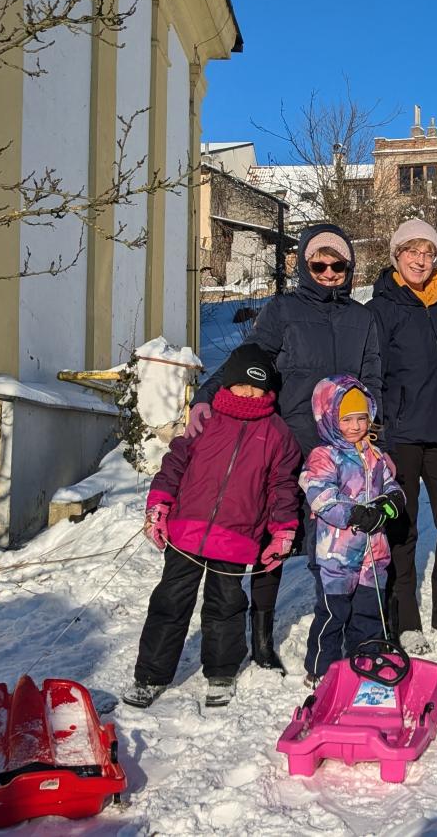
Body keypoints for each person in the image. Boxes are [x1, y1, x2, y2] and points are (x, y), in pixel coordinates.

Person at [188, 224, 381, 676]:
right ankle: (260, 638)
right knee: (270, 538)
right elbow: (250, 358)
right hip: (289, 442)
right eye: (320, 264)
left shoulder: (362, 319)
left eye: (338, 265)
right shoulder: (284, 310)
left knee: (332, 546)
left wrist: (374, 431)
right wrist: (206, 396)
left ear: (349, 267)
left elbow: (373, 377)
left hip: (341, 452)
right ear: (306, 266)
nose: (329, 272)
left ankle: (333, 633)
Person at [124, 346, 302, 709]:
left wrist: (283, 531)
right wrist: (159, 505)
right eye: (242, 384)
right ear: (229, 382)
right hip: (186, 530)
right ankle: (151, 676)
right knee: (170, 602)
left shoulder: (277, 433)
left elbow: (282, 487)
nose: (248, 393)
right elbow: (175, 463)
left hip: (236, 536)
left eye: (257, 387)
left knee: (226, 605)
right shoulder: (205, 419)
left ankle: (221, 672)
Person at [368, 218, 437, 653]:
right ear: (396, 256)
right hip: (402, 436)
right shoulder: (381, 308)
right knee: (402, 528)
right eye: (412, 251)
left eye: (428, 252)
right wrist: (377, 426)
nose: (421, 260)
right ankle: (405, 620)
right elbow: (371, 372)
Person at [299, 375, 407, 686]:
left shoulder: (374, 454)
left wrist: (390, 503)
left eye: (361, 418)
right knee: (334, 613)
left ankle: (365, 661)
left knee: (368, 611)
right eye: (347, 420)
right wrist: (355, 512)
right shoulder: (324, 456)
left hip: (373, 553)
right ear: (329, 418)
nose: (356, 426)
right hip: (336, 555)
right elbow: (320, 495)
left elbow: (391, 485)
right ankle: (321, 669)